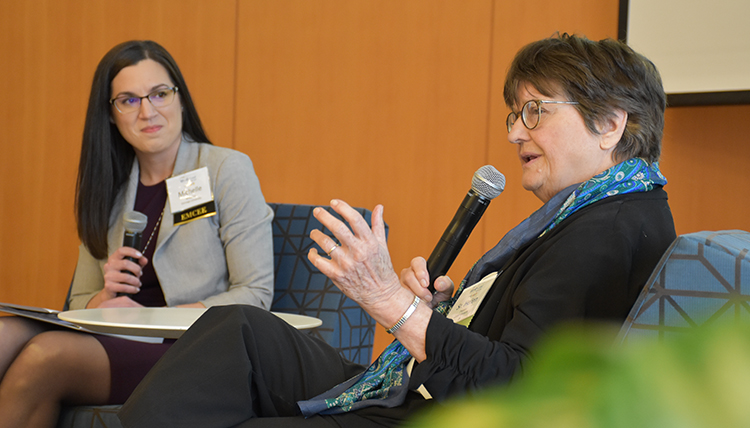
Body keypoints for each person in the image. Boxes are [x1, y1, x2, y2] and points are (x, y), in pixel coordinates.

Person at [117, 33, 676, 427]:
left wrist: (394, 306)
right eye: (514, 113)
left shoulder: (606, 228)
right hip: (416, 386)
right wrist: (448, 309)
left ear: (610, 124)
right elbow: (527, 337)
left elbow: (516, 391)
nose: (514, 133)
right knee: (238, 330)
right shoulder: (607, 209)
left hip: (427, 412)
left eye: (535, 112)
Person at [0, 40, 274, 427]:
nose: (148, 111)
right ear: (110, 115)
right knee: (3, 334)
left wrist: (151, 318)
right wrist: (104, 296)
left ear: (179, 98)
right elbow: (80, 301)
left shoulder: (225, 170)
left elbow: (255, 295)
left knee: (47, 355)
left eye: (159, 94)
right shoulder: (108, 189)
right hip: (114, 341)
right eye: (128, 100)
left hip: (193, 348)